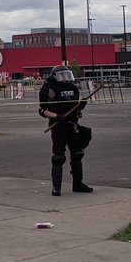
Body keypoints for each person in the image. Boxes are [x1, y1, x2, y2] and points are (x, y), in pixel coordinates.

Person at [37, 65, 92, 196]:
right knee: (58, 157)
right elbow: (42, 110)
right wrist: (56, 116)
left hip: (72, 124)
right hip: (58, 126)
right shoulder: (48, 89)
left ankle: (78, 184)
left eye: (67, 75)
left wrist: (81, 106)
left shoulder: (72, 88)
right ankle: (56, 187)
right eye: (62, 76)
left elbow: (76, 108)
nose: (65, 78)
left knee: (77, 154)